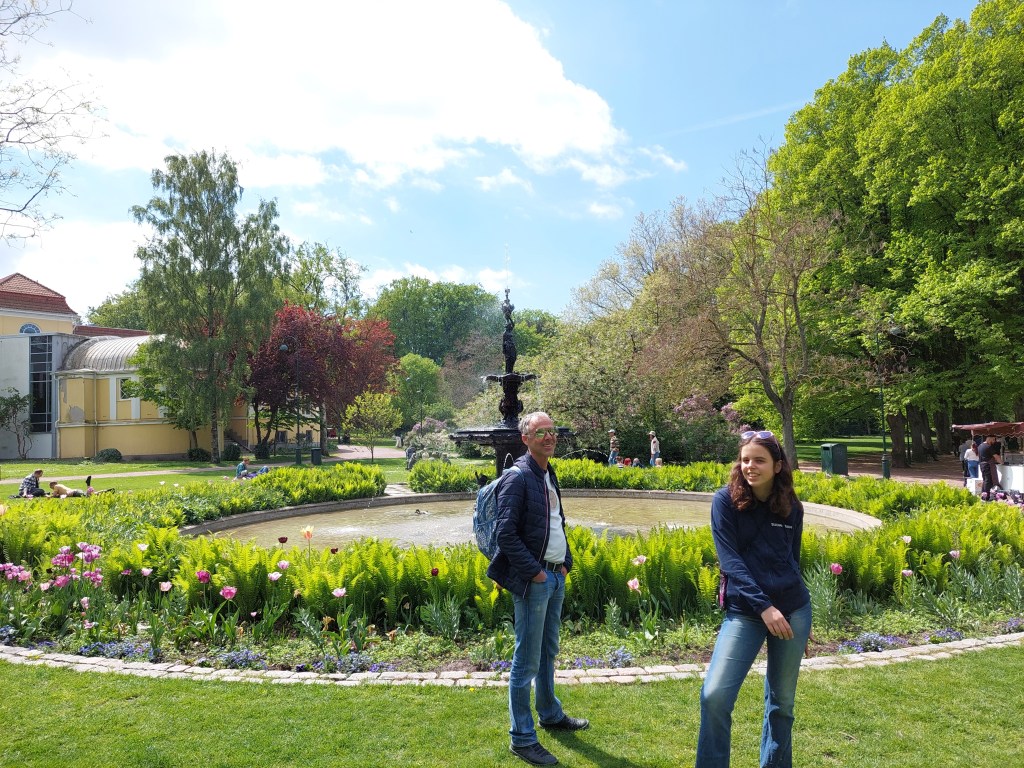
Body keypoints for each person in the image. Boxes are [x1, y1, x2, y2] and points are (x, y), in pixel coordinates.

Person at [696, 430, 811, 768]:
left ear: (777, 466)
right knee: (714, 696)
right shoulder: (725, 502)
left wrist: (801, 625)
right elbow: (731, 563)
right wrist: (765, 607)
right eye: (745, 460)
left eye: (759, 460)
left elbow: (792, 561)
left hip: (792, 611)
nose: (750, 466)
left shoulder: (792, 507)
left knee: (782, 703)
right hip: (746, 612)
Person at [488, 411, 589, 766]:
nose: (549, 436)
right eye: (541, 431)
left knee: (547, 651)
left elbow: (556, 521)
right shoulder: (516, 477)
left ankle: (550, 713)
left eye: (552, 431)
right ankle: (522, 738)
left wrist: (565, 562)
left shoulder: (548, 473)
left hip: (554, 575)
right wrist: (535, 573)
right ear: (525, 438)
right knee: (526, 660)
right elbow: (505, 534)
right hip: (536, 581)